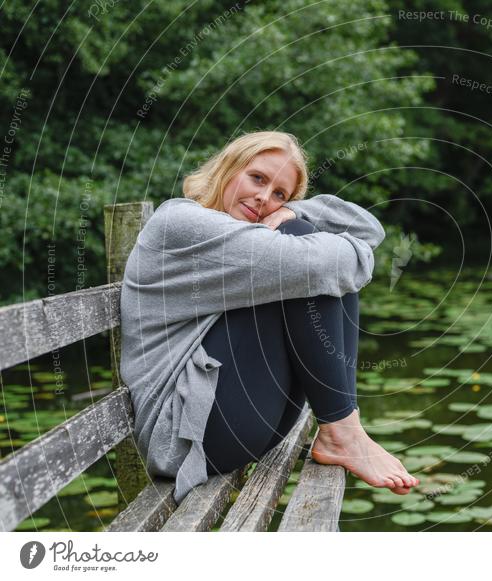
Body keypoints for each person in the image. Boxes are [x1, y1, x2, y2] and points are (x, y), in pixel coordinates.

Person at [120, 130, 418, 504]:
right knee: (305, 259)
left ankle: (342, 429)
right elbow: (333, 260)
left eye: (280, 193)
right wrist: (298, 226)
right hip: (187, 438)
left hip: (247, 420)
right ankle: (343, 429)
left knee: (302, 244)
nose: (264, 198)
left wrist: (294, 212)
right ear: (228, 168)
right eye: (257, 178)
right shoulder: (179, 224)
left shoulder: (250, 231)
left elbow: (369, 229)